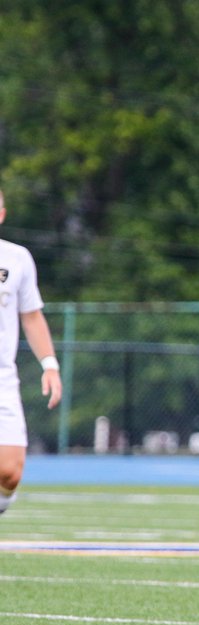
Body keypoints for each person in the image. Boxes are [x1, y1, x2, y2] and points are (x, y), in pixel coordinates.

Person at [0, 187, 62, 515]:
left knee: (10, 472)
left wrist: (49, 364)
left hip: (3, 379)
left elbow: (32, 315)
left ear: (1, 215)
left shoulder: (17, 258)